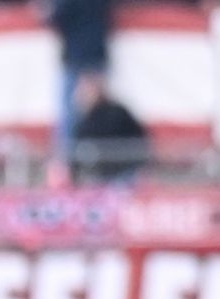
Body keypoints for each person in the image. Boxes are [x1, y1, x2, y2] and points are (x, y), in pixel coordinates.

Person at [48, 0, 111, 174]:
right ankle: (98, 164)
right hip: (95, 54)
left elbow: (56, 16)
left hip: (76, 57)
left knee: (71, 113)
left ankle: (65, 165)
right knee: (97, 113)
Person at [70, 74, 148, 185]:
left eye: (87, 90)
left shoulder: (117, 113)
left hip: (124, 174)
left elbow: (139, 141)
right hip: (98, 177)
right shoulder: (81, 122)